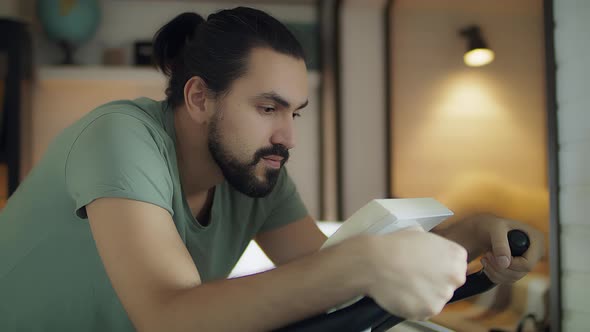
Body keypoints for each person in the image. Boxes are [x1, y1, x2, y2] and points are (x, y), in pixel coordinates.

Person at [0, 7, 544, 331]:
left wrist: (468, 234)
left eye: (294, 113)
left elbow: (324, 279)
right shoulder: (120, 136)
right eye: (268, 109)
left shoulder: (255, 174)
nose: (288, 135)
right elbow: (170, 317)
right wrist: (363, 262)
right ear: (198, 98)